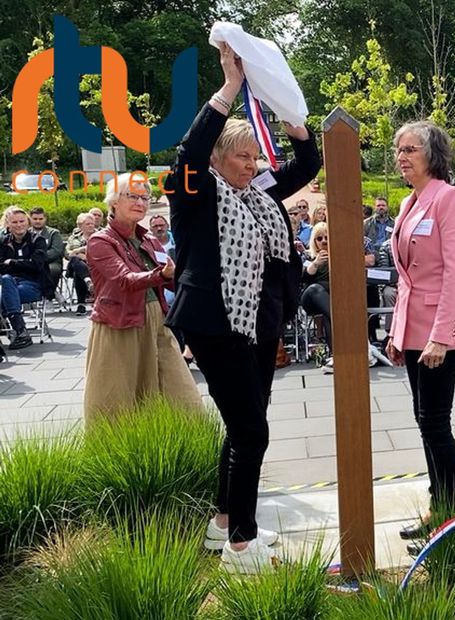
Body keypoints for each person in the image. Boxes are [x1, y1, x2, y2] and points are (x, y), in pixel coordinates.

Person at [164, 42, 320, 574]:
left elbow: (309, 162)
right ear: (217, 159)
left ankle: (225, 522)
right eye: (241, 156)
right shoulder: (193, 190)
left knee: (242, 426)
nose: (251, 165)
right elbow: (187, 154)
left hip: (258, 328)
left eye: (255, 157)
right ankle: (241, 546)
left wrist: (291, 113)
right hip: (217, 325)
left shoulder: (258, 193)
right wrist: (231, 87)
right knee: (253, 431)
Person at [384, 120, 455, 544]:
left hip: (441, 332)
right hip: (414, 330)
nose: (402, 157)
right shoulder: (408, 203)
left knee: (436, 423)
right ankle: (437, 508)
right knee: (425, 423)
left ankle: (449, 518)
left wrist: (440, 335)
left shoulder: (448, 199)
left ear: (433, 154)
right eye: (399, 150)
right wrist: (397, 332)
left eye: (410, 150)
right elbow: (407, 278)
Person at [83, 173, 201, 421]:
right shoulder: (100, 241)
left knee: (183, 395)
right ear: (114, 201)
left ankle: (191, 449)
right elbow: (124, 279)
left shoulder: (148, 239)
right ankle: (115, 456)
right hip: (119, 324)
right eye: (133, 196)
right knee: (117, 402)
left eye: (145, 198)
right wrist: (161, 274)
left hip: (157, 321)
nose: (141, 202)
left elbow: (168, 277)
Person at [0, 207, 47, 350]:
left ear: (27, 222)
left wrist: (13, 262)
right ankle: (20, 330)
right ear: (8, 224)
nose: (19, 225)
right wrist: (24, 264)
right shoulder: (3, 242)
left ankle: (17, 330)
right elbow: (1, 266)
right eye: (14, 222)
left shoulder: (38, 240)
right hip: (9, 284)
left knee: (6, 286)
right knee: (7, 280)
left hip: (32, 285)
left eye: (22, 221)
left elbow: (37, 266)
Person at [300, 222, 333, 356]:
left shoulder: (338, 255)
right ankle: (338, 319)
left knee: (328, 314)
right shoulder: (308, 255)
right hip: (311, 297)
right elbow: (304, 278)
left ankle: (335, 354)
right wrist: (316, 263)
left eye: (327, 237)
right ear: (314, 241)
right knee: (315, 288)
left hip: (331, 299)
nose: (323, 241)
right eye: (319, 238)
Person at [28, 207, 64, 299]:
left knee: (52, 270)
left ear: (45, 219)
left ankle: (49, 297)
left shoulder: (54, 233)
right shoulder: (26, 233)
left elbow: (56, 251)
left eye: (40, 219)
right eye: (35, 219)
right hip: (30, 263)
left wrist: (39, 258)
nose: (38, 221)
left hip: (51, 262)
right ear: (30, 219)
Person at [65, 213, 97, 315]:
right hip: (76, 264)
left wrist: (80, 250)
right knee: (75, 260)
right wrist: (80, 256)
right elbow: (68, 253)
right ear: (80, 226)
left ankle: (81, 305)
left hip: (95, 266)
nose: (91, 226)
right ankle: (88, 281)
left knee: (78, 274)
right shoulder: (73, 238)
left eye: (92, 223)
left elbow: (101, 251)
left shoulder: (99, 235)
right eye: (88, 224)